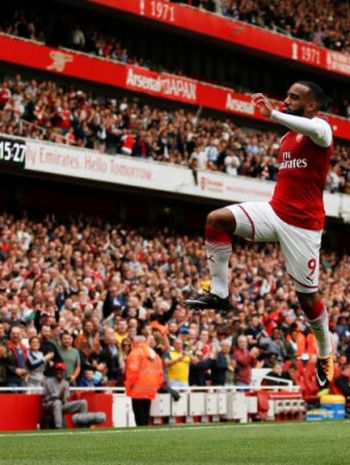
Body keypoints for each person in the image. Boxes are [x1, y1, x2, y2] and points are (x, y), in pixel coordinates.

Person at [184, 81, 335, 387]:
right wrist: (278, 119)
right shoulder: (286, 139)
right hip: (274, 212)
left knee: (307, 299)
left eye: (294, 97)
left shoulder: (321, 128)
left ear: (311, 107)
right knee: (216, 220)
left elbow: (316, 131)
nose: (286, 99)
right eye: (287, 93)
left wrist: (274, 115)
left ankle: (325, 352)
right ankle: (220, 293)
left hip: (303, 227)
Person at [125, 335, 163, 426]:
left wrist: (128, 386)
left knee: (139, 417)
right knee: (145, 416)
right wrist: (156, 386)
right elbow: (160, 372)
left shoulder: (135, 353)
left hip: (137, 389)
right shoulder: (154, 354)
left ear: (134, 342)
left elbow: (132, 371)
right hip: (150, 389)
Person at [42, 363, 87, 429]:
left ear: (64, 372)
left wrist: (62, 396)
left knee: (83, 402)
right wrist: (59, 395)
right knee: (57, 402)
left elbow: (65, 401)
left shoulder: (65, 383)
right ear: (55, 371)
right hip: (49, 405)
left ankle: (82, 426)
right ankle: (58, 427)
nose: (59, 372)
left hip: (62, 404)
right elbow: (47, 398)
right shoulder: (48, 381)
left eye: (61, 370)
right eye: (58, 370)